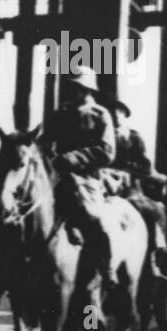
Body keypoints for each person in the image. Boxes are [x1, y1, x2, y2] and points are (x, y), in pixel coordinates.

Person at [41, 68, 117, 268]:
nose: (74, 91)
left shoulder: (100, 115)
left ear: (88, 90)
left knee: (94, 218)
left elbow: (107, 151)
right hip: (58, 176)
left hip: (86, 179)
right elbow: (45, 140)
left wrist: (71, 158)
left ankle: (106, 267)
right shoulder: (62, 112)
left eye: (78, 88)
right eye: (72, 87)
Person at [106, 100, 167, 274]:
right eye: (113, 113)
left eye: (119, 113)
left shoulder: (133, 138)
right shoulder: (104, 135)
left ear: (124, 116)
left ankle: (152, 253)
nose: (116, 117)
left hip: (130, 189)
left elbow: (145, 167)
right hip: (106, 185)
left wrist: (127, 172)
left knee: (148, 209)